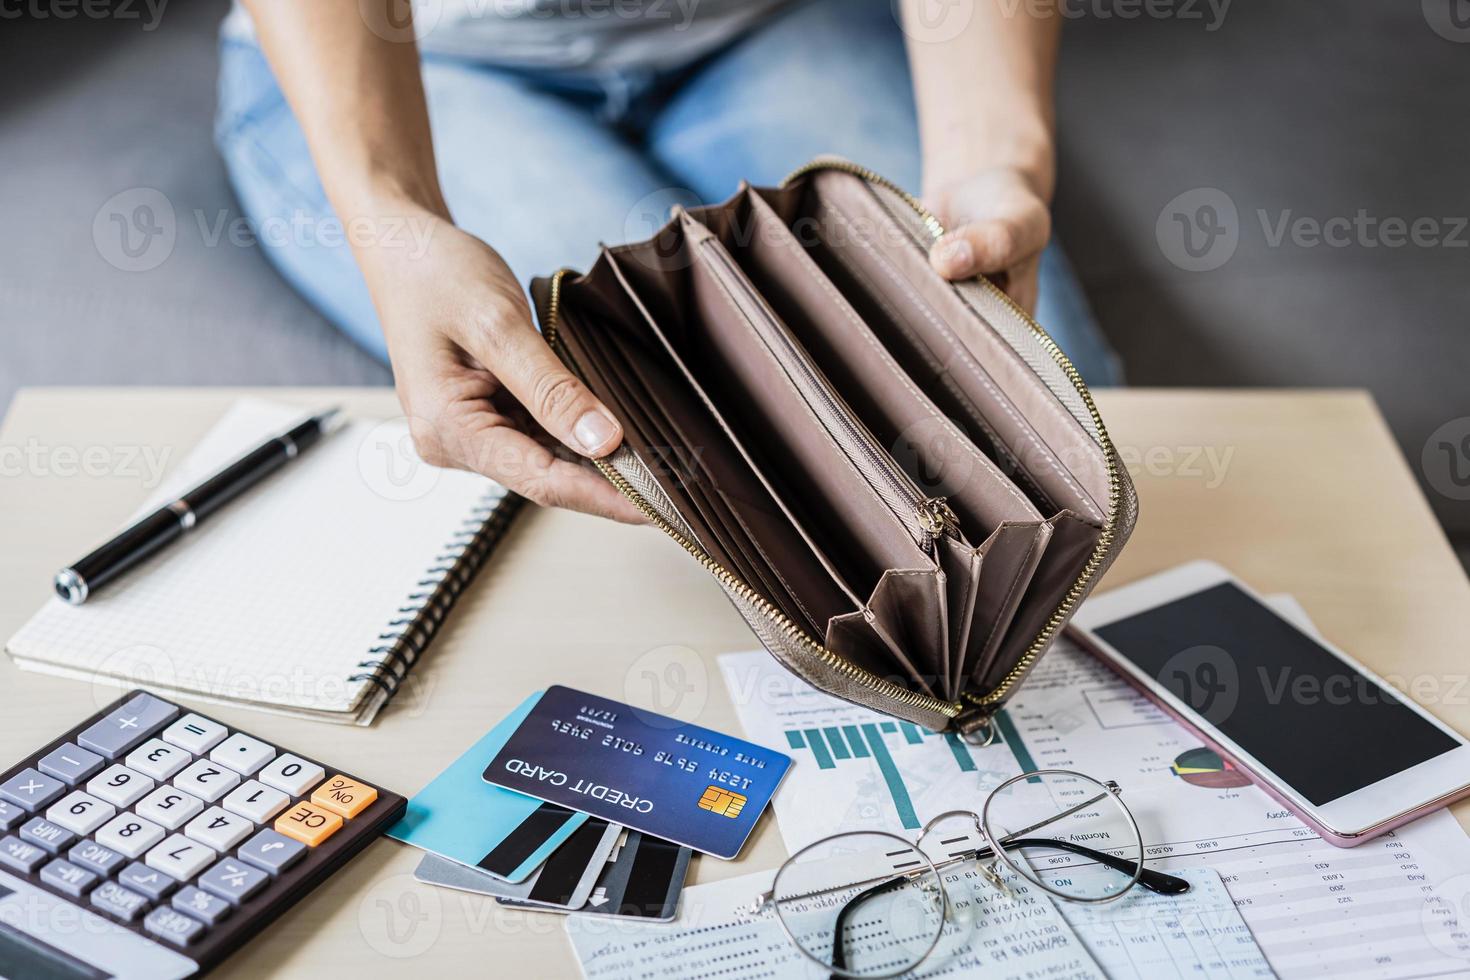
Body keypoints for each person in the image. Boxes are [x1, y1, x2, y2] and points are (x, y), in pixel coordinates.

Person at [216, 0, 1121, 525]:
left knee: (1055, 427)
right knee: (713, 447)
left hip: (758, 24)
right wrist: (393, 216)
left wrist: (991, 157)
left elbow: (982, 192)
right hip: (418, 56)